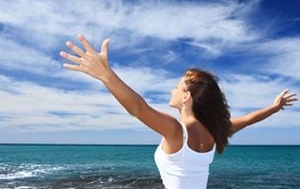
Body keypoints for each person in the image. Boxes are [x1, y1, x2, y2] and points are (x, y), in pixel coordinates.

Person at [60, 34, 297, 189]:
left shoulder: (177, 132)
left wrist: (105, 75)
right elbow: (247, 120)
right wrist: (274, 108)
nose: (172, 89)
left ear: (186, 97)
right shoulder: (215, 131)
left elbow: (139, 108)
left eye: (177, 86)